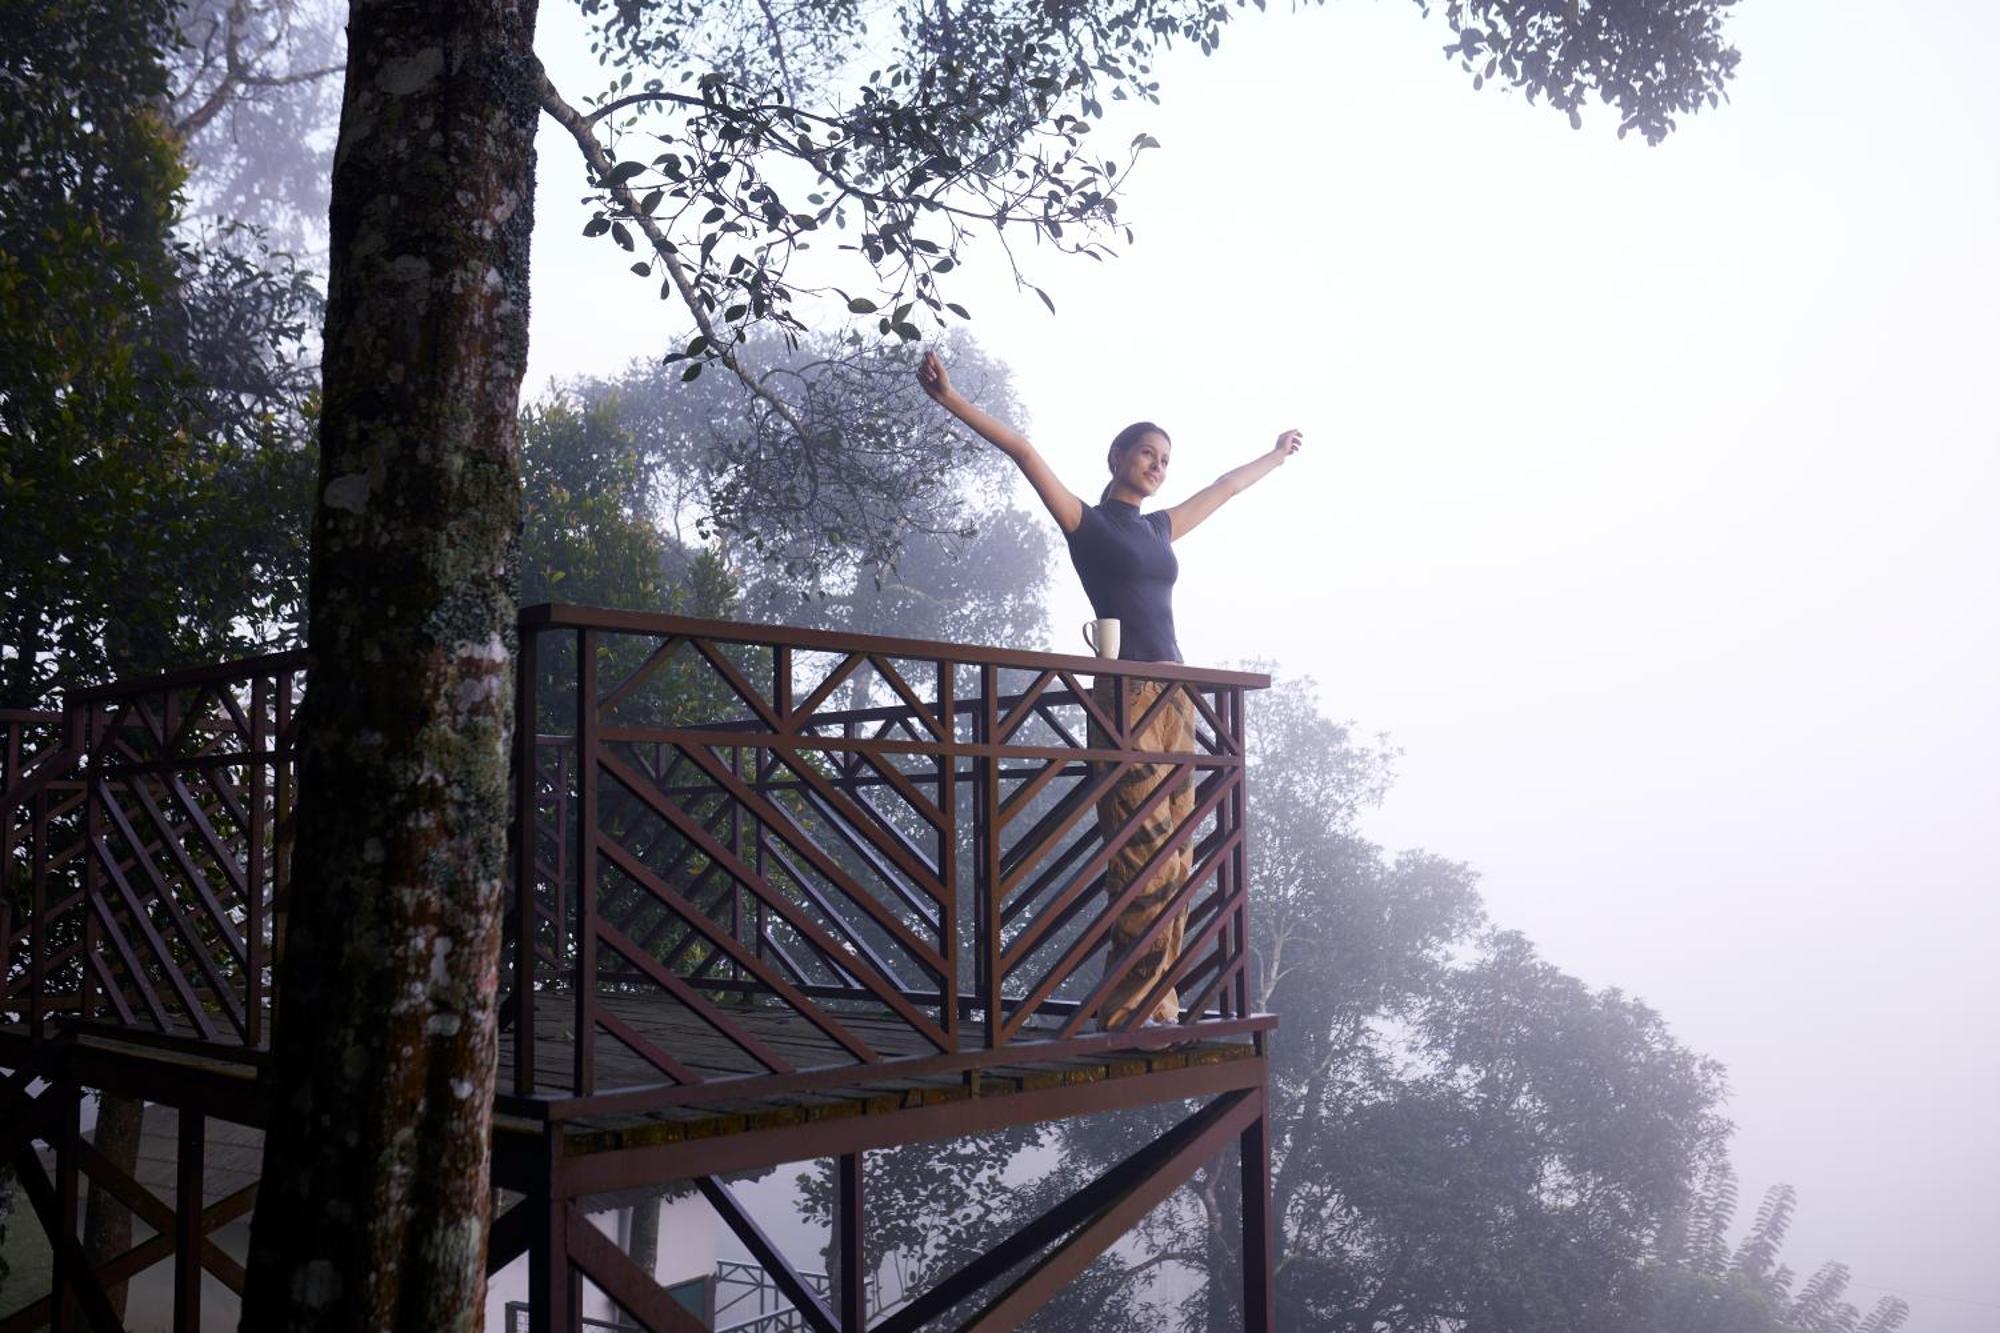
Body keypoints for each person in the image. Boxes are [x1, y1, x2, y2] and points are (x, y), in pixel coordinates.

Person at [917, 349, 1302, 1027]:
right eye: (1148, 453)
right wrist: (950, 399)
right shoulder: (1087, 525)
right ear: (1117, 456)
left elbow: (1224, 486)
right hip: (1124, 698)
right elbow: (1024, 452)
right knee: (1139, 844)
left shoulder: (1160, 527)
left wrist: (1276, 456)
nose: (1157, 466)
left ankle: (1160, 997)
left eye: (1164, 460)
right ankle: (1130, 1001)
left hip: (1176, 694)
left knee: (1177, 847)